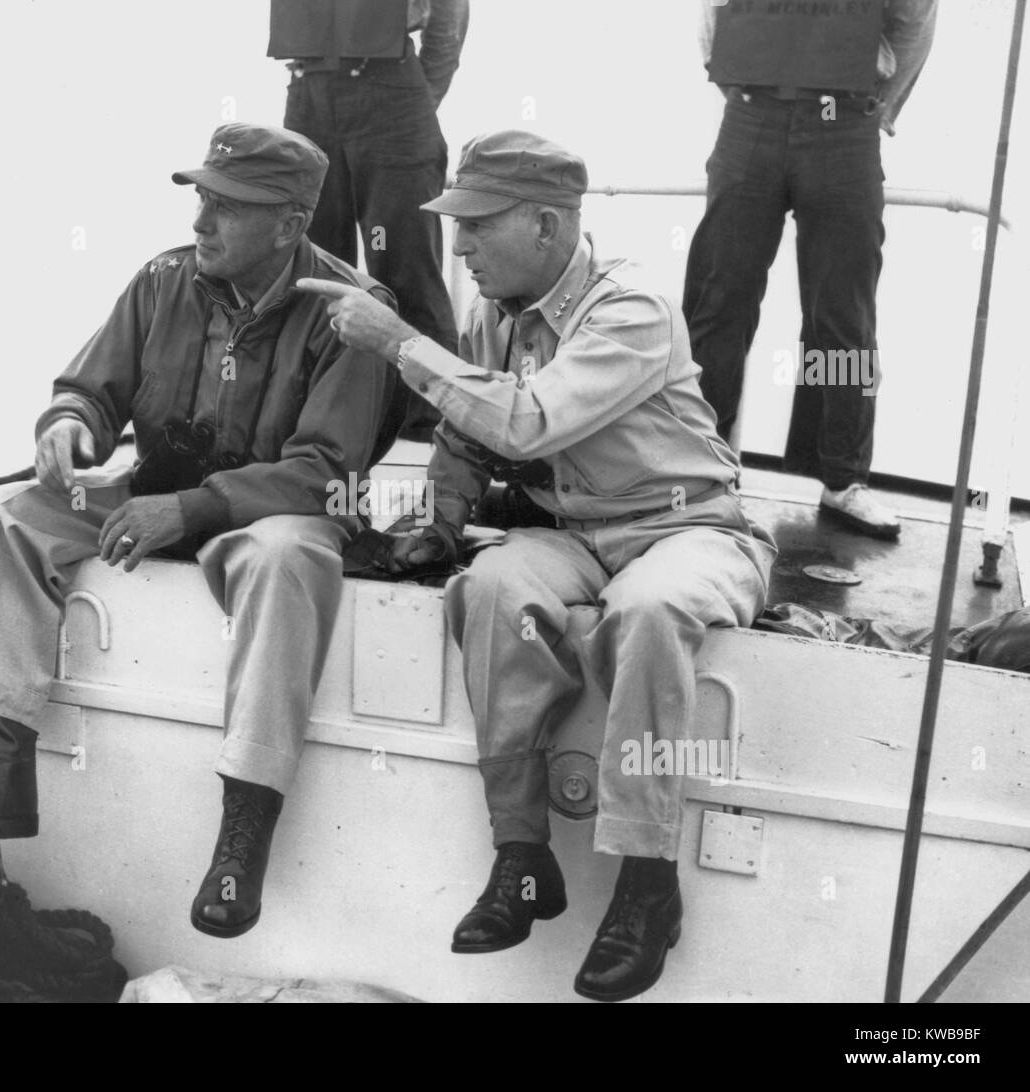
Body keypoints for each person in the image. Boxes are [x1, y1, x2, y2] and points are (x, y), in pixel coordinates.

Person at [0, 123, 402, 941]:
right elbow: (91, 386)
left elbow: (324, 472)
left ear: (292, 226)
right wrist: (69, 426)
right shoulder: (163, 280)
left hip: (267, 516)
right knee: (6, 513)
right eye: (200, 200)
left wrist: (186, 511)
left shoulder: (352, 315)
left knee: (289, 555)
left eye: (226, 207)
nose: (200, 223)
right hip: (152, 496)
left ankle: (244, 825)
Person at [300, 130, 778, 1002]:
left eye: (479, 226)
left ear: (549, 228)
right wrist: (435, 528)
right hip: (578, 533)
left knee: (651, 613)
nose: (461, 247)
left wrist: (400, 339)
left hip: (689, 530)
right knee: (490, 584)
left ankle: (645, 882)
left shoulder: (627, 309)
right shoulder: (496, 314)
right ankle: (522, 856)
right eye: (458, 224)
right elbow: (464, 438)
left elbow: (525, 423)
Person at [682, 0, 937, 539]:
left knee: (843, 316)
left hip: (843, 125)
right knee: (718, 300)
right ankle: (698, 467)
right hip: (751, 119)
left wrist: (876, 107)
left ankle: (843, 479)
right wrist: (741, 90)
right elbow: (713, 11)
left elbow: (913, 24)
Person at [271, 0, 469, 439]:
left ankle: (429, 426)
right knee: (311, 267)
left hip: (392, 93)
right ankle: (318, 419)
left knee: (403, 263)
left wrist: (410, 103)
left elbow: (446, 24)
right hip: (308, 95)